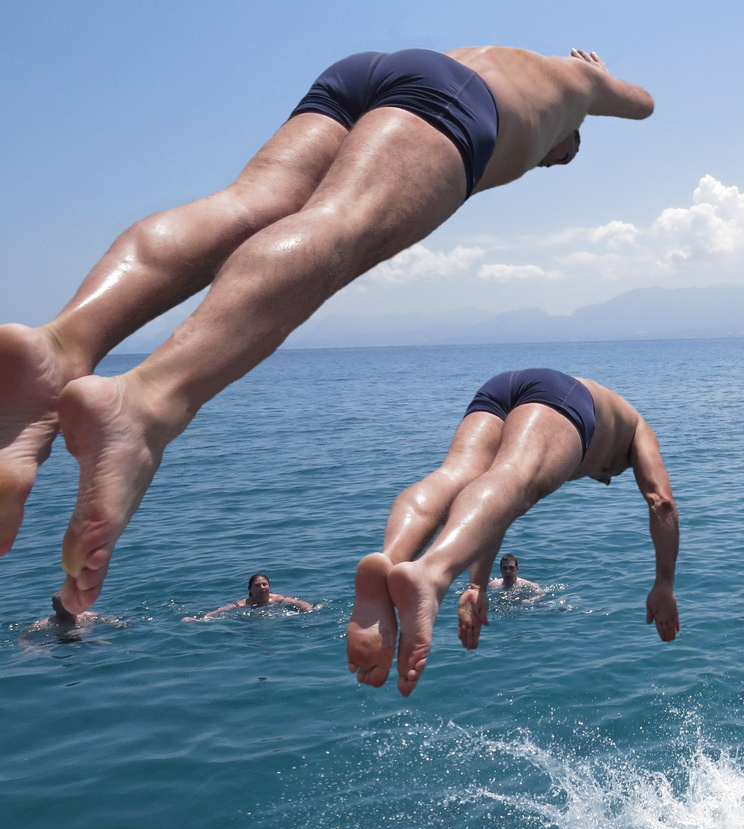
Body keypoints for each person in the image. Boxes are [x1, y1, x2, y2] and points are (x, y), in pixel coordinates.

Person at [0, 47, 655, 614]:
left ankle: (62, 345)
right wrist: (596, 79)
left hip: (366, 74)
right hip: (455, 100)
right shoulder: (569, 93)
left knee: (247, 205)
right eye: (562, 157)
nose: (556, 160)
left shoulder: (500, 56)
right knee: (344, 227)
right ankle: (147, 403)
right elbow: (644, 104)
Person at [345, 368, 678, 695]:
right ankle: (429, 577)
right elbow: (662, 503)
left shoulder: (611, 415)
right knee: (517, 478)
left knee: (456, 475)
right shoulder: (640, 429)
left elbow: (495, 510)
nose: (606, 478)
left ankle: (390, 559)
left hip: (503, 387)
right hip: (565, 399)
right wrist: (664, 586)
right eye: (611, 474)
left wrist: (478, 585)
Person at [186, 573, 315, 620]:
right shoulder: (243, 604)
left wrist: (308, 609)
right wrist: (201, 619)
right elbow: (221, 610)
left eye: (265, 584)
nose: (262, 588)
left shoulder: (276, 599)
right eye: (258, 585)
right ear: (250, 589)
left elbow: (299, 603)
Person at [20, 590, 126, 643]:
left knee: (106, 644)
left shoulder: (87, 616)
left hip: (87, 640)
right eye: (63, 606)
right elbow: (23, 638)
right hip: (59, 643)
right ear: (54, 608)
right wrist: (29, 648)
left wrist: (117, 623)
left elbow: (109, 619)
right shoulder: (46, 624)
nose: (68, 609)